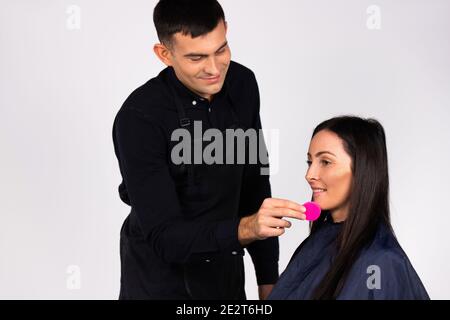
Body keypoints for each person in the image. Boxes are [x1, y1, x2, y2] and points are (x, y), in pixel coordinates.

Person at [112, 0, 306, 300]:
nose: (214, 69)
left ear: (226, 30)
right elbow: (166, 238)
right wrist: (246, 229)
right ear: (164, 54)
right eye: (196, 58)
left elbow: (254, 183)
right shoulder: (139, 118)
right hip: (159, 283)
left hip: (224, 274)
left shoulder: (243, 84)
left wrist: (268, 278)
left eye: (221, 50)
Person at [268, 116, 430, 300]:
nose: (309, 175)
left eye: (325, 162)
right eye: (309, 162)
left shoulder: (381, 262)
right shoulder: (315, 244)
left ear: (361, 169)